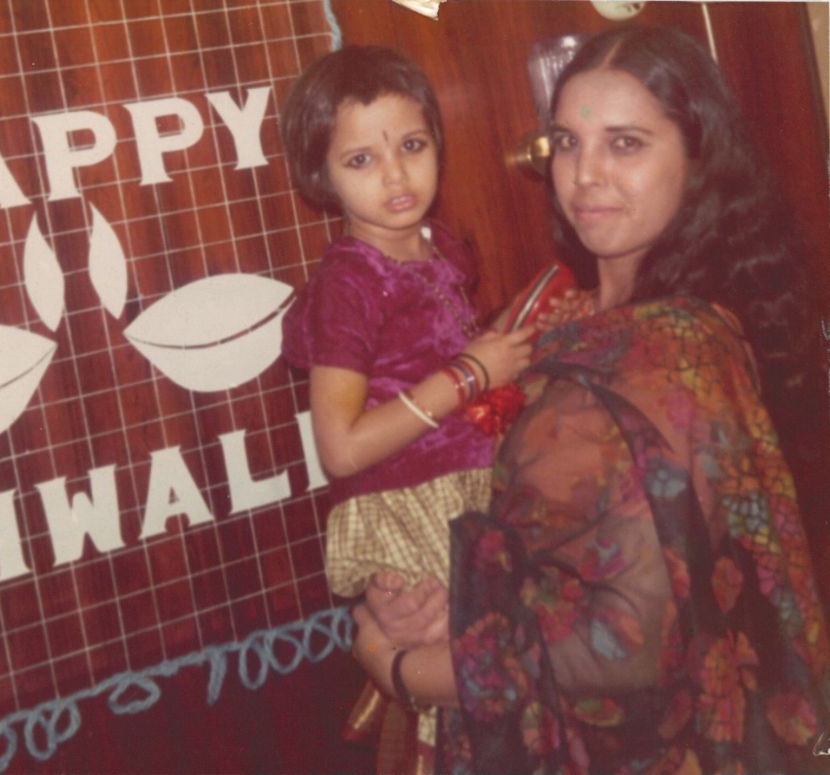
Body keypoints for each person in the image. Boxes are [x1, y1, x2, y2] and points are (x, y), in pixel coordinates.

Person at [351, 26, 830, 774]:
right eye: (567, 143)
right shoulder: (550, 312)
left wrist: (399, 668)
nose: (586, 175)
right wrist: (401, 594)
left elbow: (620, 644)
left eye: (626, 144)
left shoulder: (674, 352)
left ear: (699, 159)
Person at [279, 45, 535, 772]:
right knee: (464, 673)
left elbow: (452, 347)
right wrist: (464, 377)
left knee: (498, 638)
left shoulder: (435, 247)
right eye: (360, 160)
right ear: (320, 177)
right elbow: (342, 447)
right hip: (409, 503)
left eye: (412, 146)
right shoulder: (351, 283)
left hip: (468, 482)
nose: (395, 175)